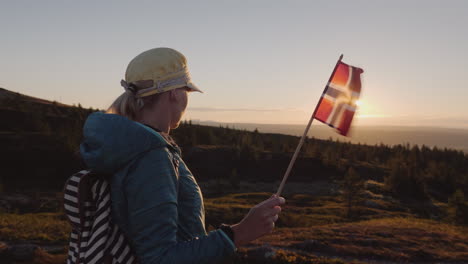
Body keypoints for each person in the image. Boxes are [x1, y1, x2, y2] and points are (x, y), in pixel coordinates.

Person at [79, 47, 286, 263]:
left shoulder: (127, 146)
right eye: (186, 91)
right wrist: (240, 232)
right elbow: (160, 258)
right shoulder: (151, 156)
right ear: (174, 93)